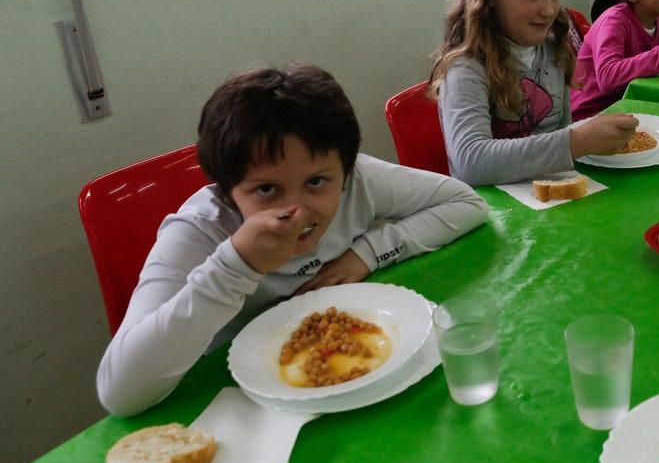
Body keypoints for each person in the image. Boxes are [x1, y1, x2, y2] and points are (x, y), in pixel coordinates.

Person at [96, 65, 490, 416]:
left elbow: (466, 203)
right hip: (242, 404)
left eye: (316, 182)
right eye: (267, 189)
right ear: (227, 190)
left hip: (355, 377)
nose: (296, 211)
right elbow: (120, 394)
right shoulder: (201, 229)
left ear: (345, 171)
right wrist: (234, 266)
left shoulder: (358, 183)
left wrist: (366, 254)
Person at [432, 0, 638, 185]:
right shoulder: (465, 67)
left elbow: (561, 132)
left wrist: (580, 141)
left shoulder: (553, 49)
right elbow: (470, 161)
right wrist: (576, 142)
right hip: (495, 213)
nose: (549, 9)